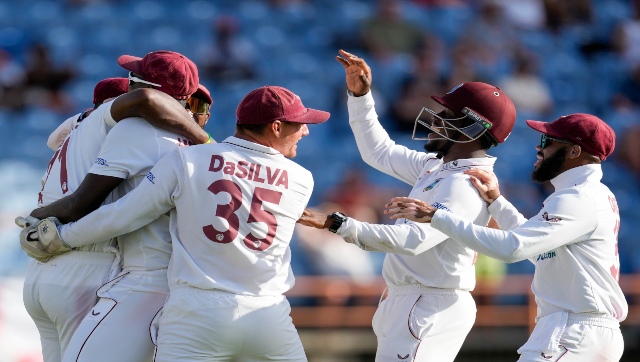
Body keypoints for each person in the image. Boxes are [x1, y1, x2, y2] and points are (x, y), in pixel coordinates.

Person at [27, 85, 329, 361]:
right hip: (268, 315)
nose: (305, 131)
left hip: (197, 312)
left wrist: (63, 237)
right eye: (300, 123)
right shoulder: (303, 179)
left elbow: (121, 215)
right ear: (276, 127)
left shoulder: (190, 160)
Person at [297, 49, 516, 362]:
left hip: (430, 304)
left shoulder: (466, 184)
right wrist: (361, 97)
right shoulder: (439, 167)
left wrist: (337, 224)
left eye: (446, 114)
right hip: (413, 300)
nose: (435, 118)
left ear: (472, 127)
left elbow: (413, 241)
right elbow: (379, 152)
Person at [385, 113, 627, 361]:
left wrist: (437, 217)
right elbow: (538, 250)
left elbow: (513, 248)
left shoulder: (577, 198)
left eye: (547, 141)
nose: (538, 146)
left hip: (572, 332)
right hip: (584, 331)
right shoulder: (591, 194)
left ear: (575, 152)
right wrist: (498, 203)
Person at [19, 50, 209, 362]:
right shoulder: (132, 126)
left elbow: (55, 139)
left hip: (41, 270)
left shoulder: (79, 125)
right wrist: (208, 143)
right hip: (87, 265)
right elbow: (146, 101)